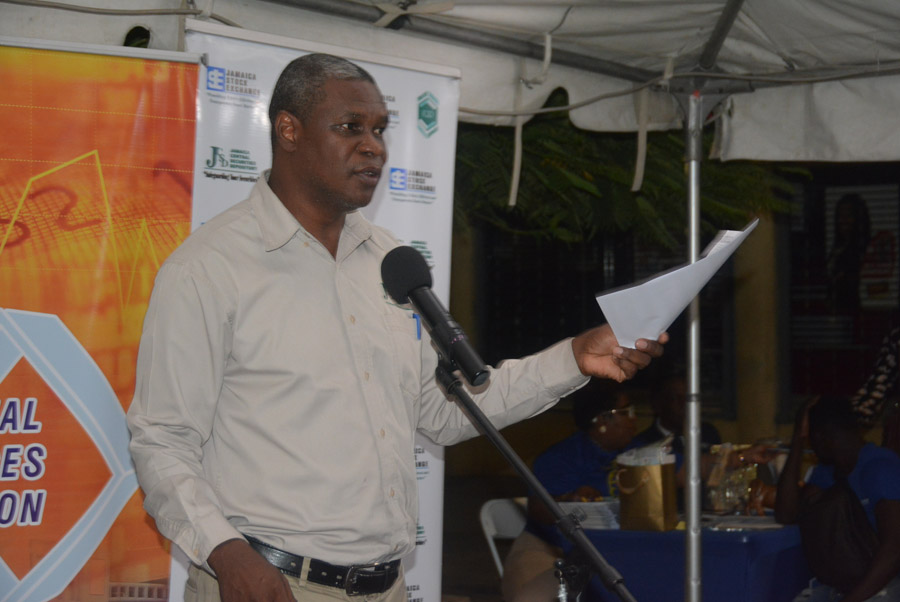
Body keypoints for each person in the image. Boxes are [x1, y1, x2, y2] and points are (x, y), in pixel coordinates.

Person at [125, 53, 667, 602]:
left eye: (380, 129)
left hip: (387, 586)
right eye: (350, 127)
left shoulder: (389, 261)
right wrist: (225, 552)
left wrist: (574, 356)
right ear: (289, 130)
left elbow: (446, 410)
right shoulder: (210, 267)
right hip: (270, 584)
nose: (374, 147)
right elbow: (161, 440)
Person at [501, 380, 639, 602]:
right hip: (551, 550)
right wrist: (569, 502)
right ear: (602, 420)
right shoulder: (561, 458)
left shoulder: (638, 452)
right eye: (626, 412)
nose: (634, 418)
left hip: (613, 552)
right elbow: (538, 509)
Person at [775, 396, 900, 602]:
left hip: (886, 581)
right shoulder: (828, 472)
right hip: (845, 584)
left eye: (809, 439)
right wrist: (797, 440)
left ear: (819, 437)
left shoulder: (880, 468)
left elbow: (894, 550)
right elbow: (786, 514)